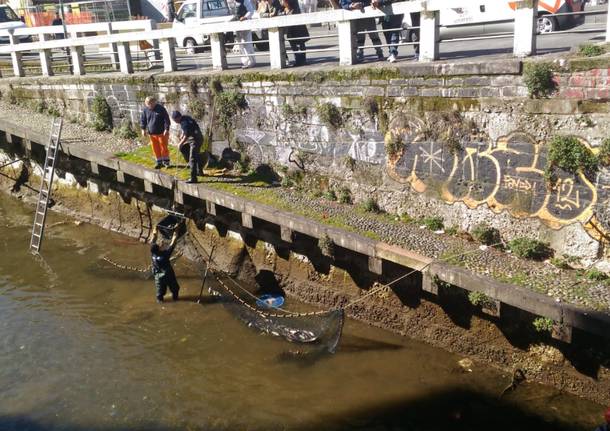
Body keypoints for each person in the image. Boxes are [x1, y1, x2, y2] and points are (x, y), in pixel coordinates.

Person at [171, 110, 204, 184]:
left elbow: (186, 135)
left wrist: (180, 143)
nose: (175, 122)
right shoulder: (185, 118)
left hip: (195, 139)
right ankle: (200, 171)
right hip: (199, 137)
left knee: (192, 158)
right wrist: (182, 133)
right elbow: (186, 130)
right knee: (196, 155)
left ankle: (193, 178)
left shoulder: (184, 123)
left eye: (175, 120)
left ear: (178, 118)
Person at [150, 226, 180, 303]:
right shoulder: (165, 254)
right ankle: (176, 300)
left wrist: (155, 228)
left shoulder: (153, 253)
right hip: (168, 275)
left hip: (158, 276)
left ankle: (160, 303)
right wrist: (176, 230)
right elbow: (174, 241)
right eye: (159, 246)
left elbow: (153, 237)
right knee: (175, 289)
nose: (160, 245)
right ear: (159, 249)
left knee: (160, 294)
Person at [140, 96, 171, 169]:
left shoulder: (161, 109)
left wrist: (166, 129)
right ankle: (159, 161)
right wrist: (143, 129)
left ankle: (166, 162)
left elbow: (167, 120)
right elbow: (143, 120)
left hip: (161, 133)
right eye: (147, 104)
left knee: (164, 147)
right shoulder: (145, 110)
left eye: (150, 103)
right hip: (152, 133)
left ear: (154, 102)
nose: (149, 105)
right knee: (155, 148)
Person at [280, 0, 309, 67]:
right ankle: (298, 60)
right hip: (290, 26)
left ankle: (302, 60)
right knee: (293, 44)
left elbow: (294, 9)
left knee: (301, 42)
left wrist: (286, 11)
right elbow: (281, 9)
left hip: (297, 23)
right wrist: (284, 12)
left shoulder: (293, 2)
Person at [235, 0, 257, 69]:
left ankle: (251, 61)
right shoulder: (233, 2)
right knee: (240, 44)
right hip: (237, 25)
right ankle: (245, 62)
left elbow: (251, 11)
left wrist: (245, 17)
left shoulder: (245, 1)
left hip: (245, 24)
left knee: (247, 43)